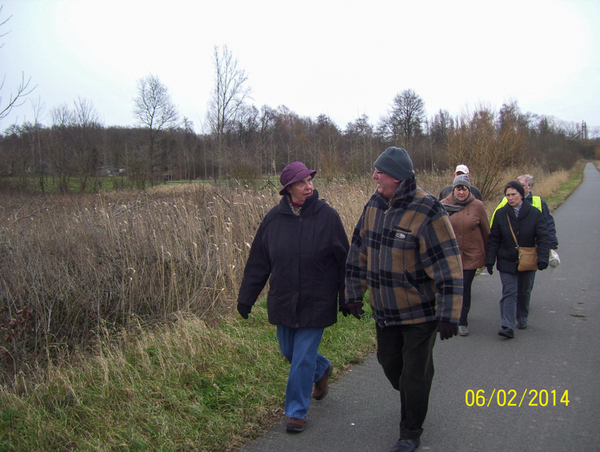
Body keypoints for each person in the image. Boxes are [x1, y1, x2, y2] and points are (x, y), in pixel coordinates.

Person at [345, 147, 463, 452]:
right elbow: (359, 249)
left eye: (379, 172)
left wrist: (449, 313)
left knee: (413, 374)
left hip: (420, 313)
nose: (374, 176)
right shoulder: (373, 204)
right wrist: (353, 294)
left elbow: (448, 264)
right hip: (385, 310)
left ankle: (410, 431)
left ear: (396, 177)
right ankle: (416, 390)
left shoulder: (427, 209)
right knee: (389, 363)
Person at [236, 161, 349, 433]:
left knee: (300, 358)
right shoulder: (274, 219)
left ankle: (296, 411)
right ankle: (321, 369)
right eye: (301, 182)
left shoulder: (327, 217)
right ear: (288, 189)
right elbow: (259, 262)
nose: (308, 186)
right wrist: (246, 298)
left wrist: (347, 296)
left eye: (309, 180)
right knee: (289, 351)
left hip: (317, 298)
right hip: (284, 298)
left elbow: (344, 259)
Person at [486, 181, 551, 338]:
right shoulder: (501, 214)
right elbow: (494, 238)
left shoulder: (535, 213)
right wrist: (489, 259)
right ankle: (507, 325)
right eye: (507, 195)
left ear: (521, 195)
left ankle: (522, 317)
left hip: (528, 259)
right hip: (506, 259)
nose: (510, 198)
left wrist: (542, 257)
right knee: (509, 291)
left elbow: (543, 236)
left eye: (513, 194)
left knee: (524, 291)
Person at [441, 174, 490, 337]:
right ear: (453, 189)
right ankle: (448, 317)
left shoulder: (478, 206)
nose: (461, 192)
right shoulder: (443, 205)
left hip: (471, 254)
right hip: (450, 255)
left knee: (464, 288)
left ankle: (462, 321)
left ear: (469, 190)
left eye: (464, 189)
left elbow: (485, 231)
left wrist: (490, 256)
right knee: (449, 288)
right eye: (458, 189)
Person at [489, 174, 558, 250]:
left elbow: (548, 224)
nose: (511, 198)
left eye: (522, 185)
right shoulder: (504, 201)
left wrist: (552, 244)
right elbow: (494, 223)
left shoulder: (539, 202)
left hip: (532, 248)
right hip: (508, 249)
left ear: (530, 187)